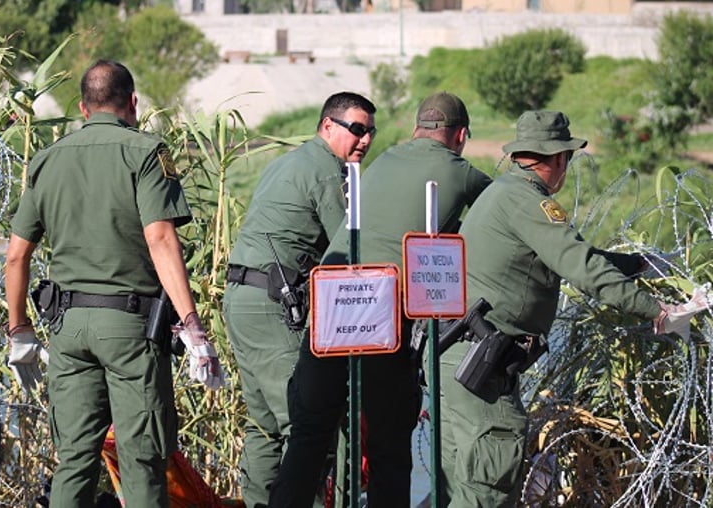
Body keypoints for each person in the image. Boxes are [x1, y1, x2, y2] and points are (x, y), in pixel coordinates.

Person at [4, 60, 220, 508]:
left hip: (67, 328)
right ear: (133, 102)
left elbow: (16, 255)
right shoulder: (144, 151)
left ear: (83, 107)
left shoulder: (47, 159)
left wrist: (19, 329)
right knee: (142, 460)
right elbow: (160, 238)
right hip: (129, 328)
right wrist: (192, 325)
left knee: (74, 461)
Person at [440, 110, 676, 506]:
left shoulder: (504, 192)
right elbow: (583, 269)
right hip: (481, 370)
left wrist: (638, 264)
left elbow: (577, 254)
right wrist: (658, 311)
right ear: (559, 159)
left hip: (460, 360)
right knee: (489, 488)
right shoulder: (530, 203)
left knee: (462, 488)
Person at [269, 91, 491, 508]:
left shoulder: (385, 160)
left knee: (310, 436)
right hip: (379, 313)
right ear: (460, 135)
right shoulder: (460, 172)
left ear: (415, 130)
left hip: (332, 303)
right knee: (390, 441)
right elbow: (500, 215)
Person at [223, 92, 377, 508]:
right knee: (304, 422)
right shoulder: (329, 172)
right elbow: (348, 247)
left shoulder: (291, 162)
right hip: (272, 301)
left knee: (263, 425)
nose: (365, 140)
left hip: (243, 297)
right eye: (357, 130)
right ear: (328, 126)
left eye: (371, 132)